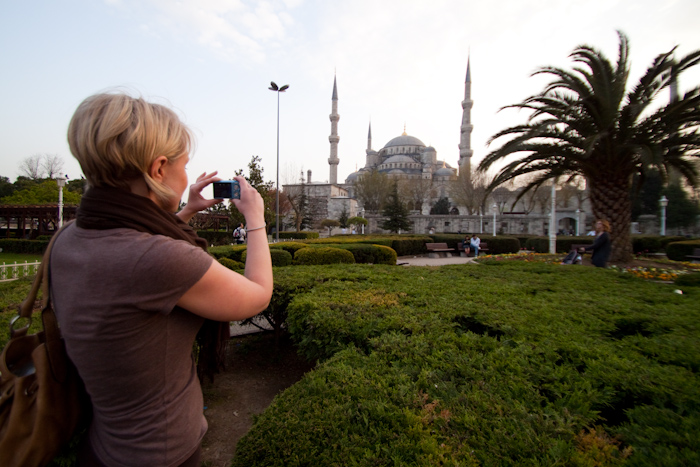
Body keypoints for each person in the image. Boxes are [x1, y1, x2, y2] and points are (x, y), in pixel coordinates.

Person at [50, 92, 273, 467]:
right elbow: (256, 295)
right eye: (183, 166)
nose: (187, 176)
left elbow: (135, 254)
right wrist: (255, 217)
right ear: (157, 170)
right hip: (161, 452)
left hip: (102, 445)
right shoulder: (157, 261)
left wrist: (183, 209)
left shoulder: (69, 236)